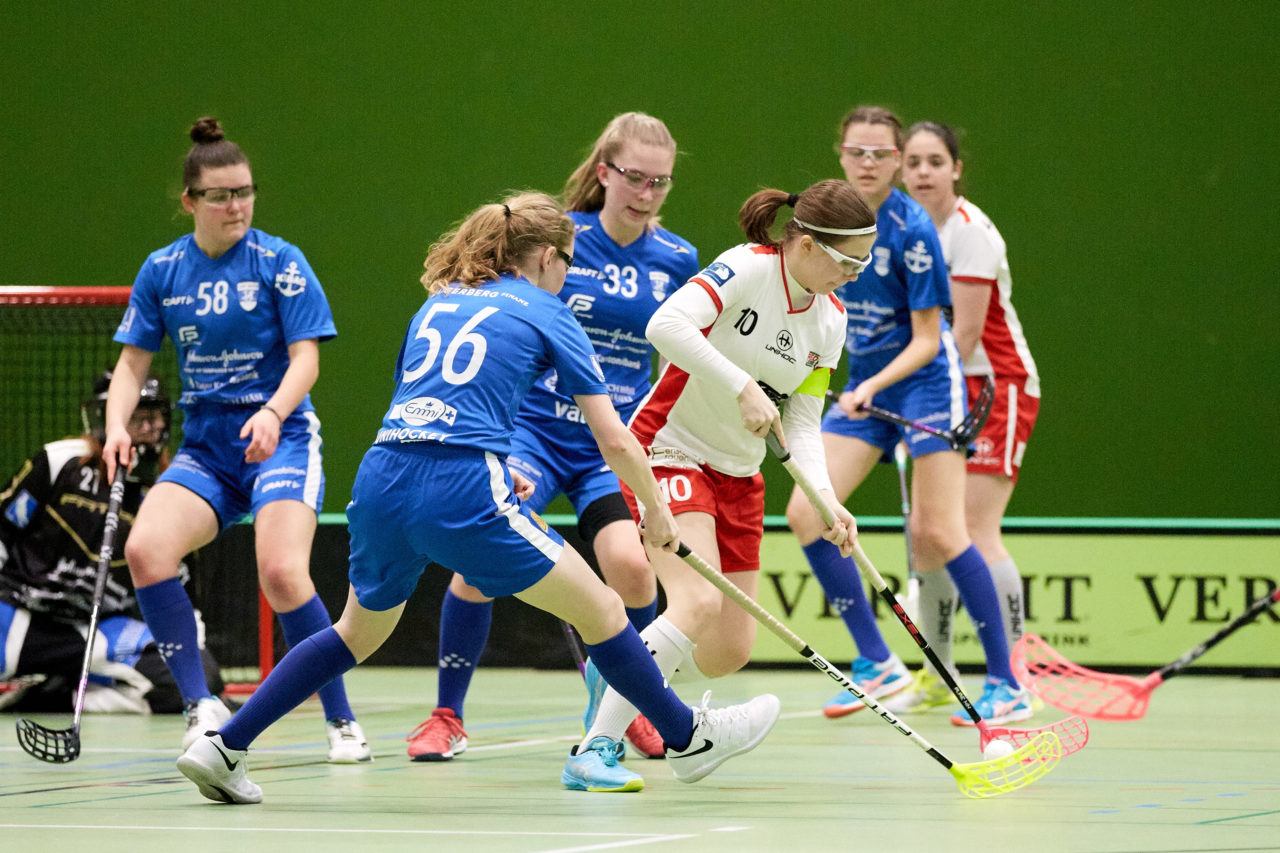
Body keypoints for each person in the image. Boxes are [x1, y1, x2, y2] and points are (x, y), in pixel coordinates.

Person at [175, 191, 781, 804]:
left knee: (355, 631)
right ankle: (688, 738)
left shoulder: (437, 304)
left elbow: (424, 404)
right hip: (460, 486)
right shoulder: (549, 312)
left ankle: (224, 744)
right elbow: (617, 441)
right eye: (567, 265)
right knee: (602, 609)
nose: (568, 277)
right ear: (546, 257)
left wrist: (491, 467)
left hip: (384, 476)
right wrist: (654, 509)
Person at [408, 112, 699, 763]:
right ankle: (446, 714)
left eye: (661, 182)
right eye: (634, 178)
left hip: (607, 444)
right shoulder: (559, 242)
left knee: (630, 566)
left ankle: (632, 708)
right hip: (532, 434)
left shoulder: (678, 259)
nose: (647, 193)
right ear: (604, 172)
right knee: (479, 567)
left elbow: (682, 355)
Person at [569, 179, 869, 792]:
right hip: (668, 450)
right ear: (806, 245)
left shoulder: (830, 321)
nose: (854, 276)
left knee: (726, 651)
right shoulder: (746, 269)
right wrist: (738, 383)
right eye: (847, 262)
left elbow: (803, 422)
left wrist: (826, 498)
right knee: (696, 603)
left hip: (739, 475)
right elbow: (666, 324)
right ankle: (595, 748)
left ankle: (627, 665)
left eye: (864, 262)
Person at [103, 117, 368, 762]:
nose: (237, 205)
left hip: (280, 437)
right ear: (191, 201)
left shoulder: (280, 261)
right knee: (145, 551)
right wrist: (115, 424)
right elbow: (134, 363)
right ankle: (200, 705)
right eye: (221, 195)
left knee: (281, 572)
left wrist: (275, 413)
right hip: (209, 449)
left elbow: (306, 358)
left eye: (245, 191)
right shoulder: (163, 270)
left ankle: (342, 721)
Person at [784, 106, 1032, 726]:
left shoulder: (913, 227)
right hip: (864, 391)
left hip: (923, 386)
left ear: (894, 160)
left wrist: (869, 388)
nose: (868, 163)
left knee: (944, 533)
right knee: (806, 513)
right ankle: (878, 664)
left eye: (881, 154)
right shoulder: (826, 224)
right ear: (840, 153)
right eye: (857, 152)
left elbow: (931, 340)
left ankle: (1006, 682)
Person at [901, 120, 1041, 716]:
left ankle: (1012, 681)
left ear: (956, 169)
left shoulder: (971, 234)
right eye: (914, 162)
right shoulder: (901, 230)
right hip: (935, 385)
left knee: (974, 533)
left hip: (994, 387)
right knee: (925, 537)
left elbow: (962, 334)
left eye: (936, 161)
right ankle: (938, 673)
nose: (924, 172)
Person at [0, 373, 223, 715]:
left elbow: (182, 594)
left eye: (154, 416)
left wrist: (192, 649)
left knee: (199, 677)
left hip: (98, 633)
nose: (148, 427)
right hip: (19, 614)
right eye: (136, 416)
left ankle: (50, 696)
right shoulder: (59, 462)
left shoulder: (170, 493)